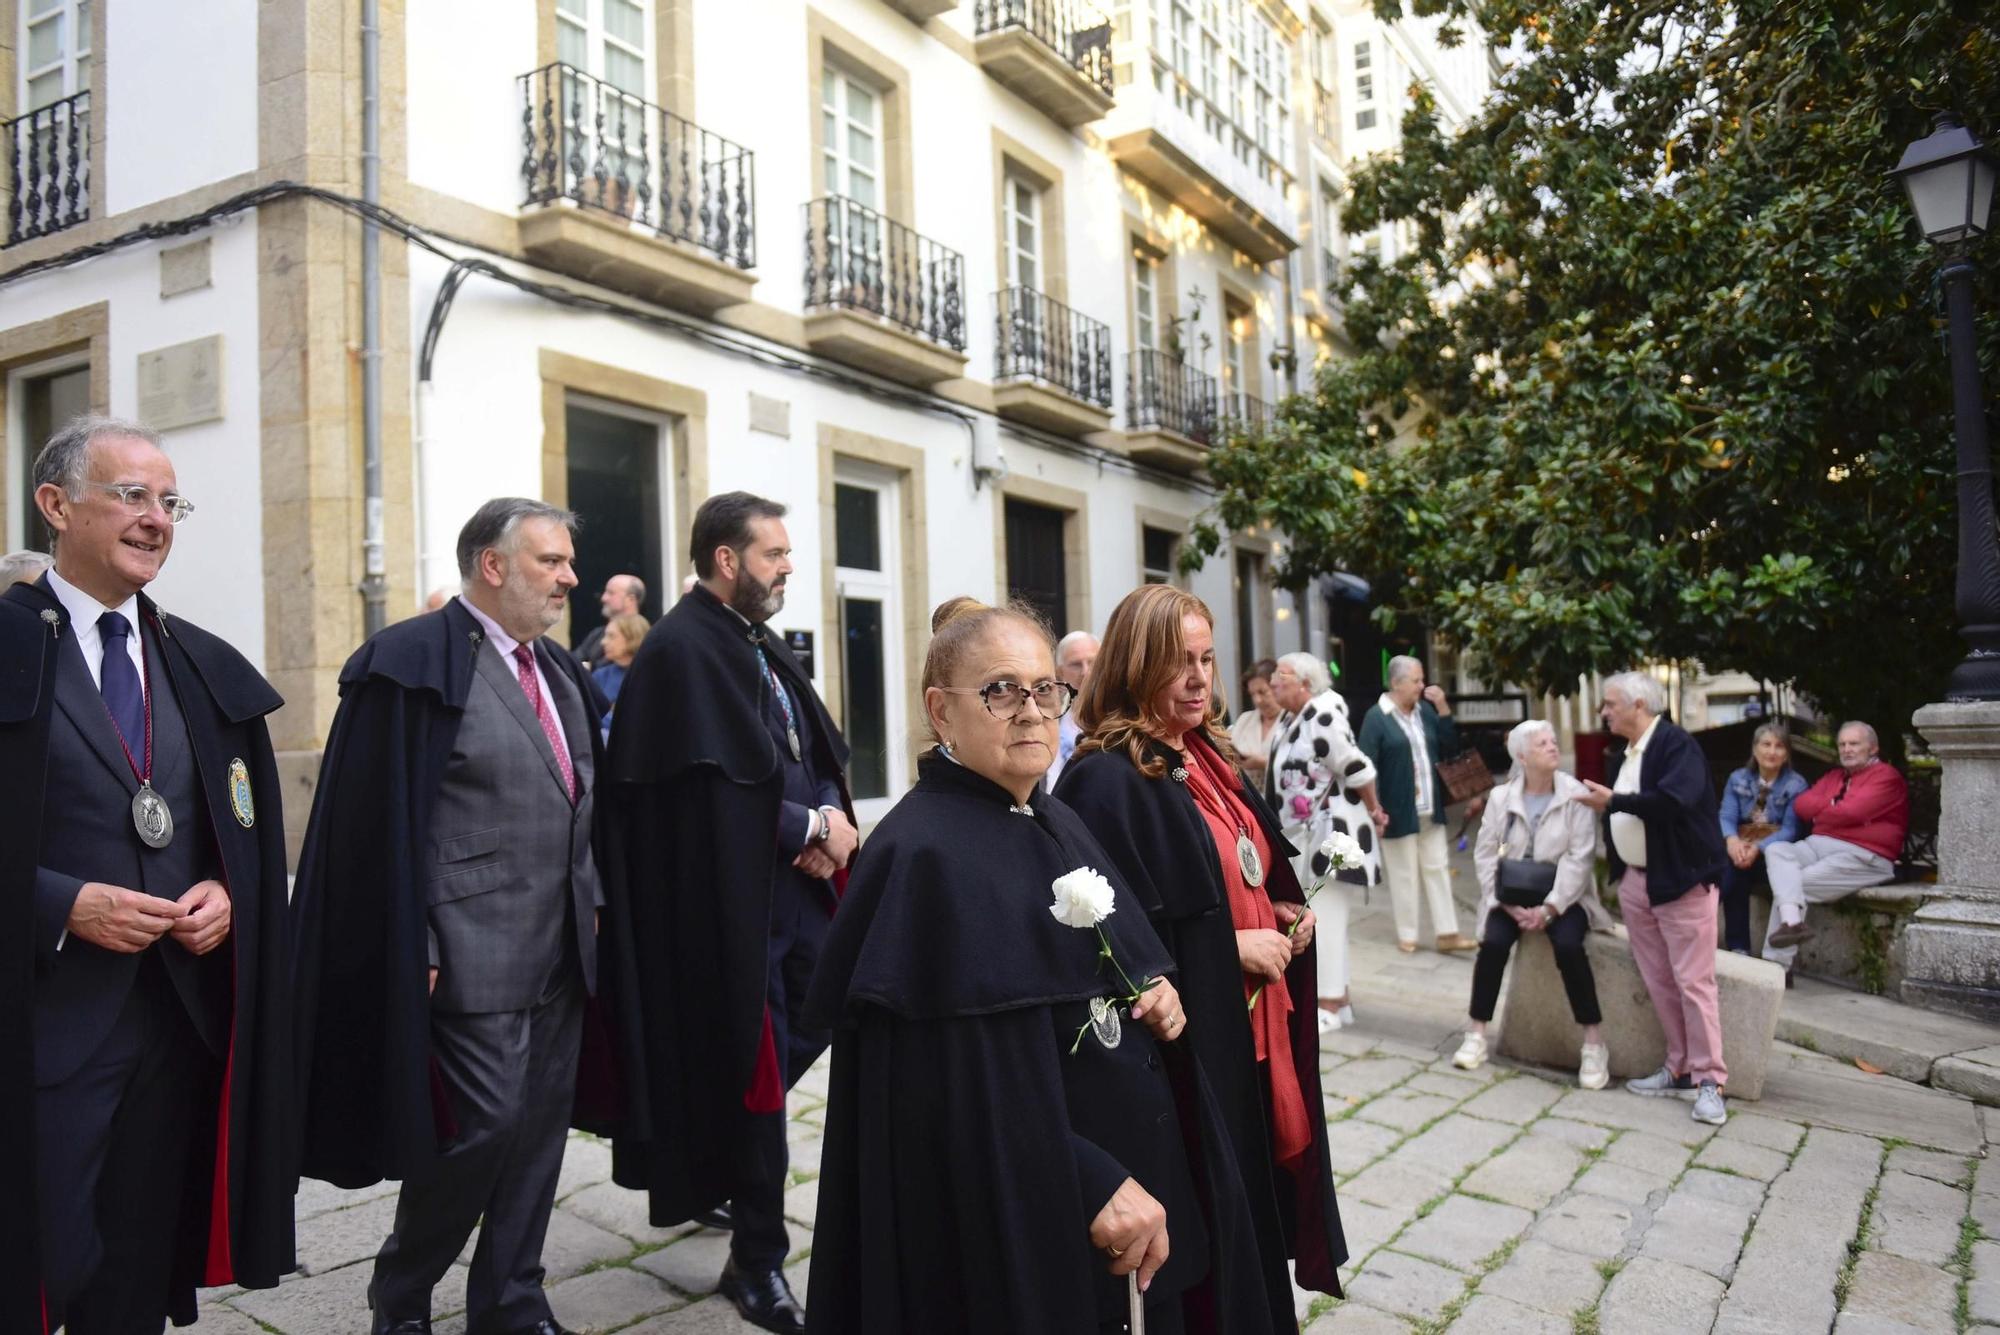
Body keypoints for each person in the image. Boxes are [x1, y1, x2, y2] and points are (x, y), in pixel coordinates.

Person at [806, 596, 1273, 1334]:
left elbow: (1100, 959)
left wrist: (1152, 988)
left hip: (1139, 1207)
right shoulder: (918, 856)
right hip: (1037, 1225)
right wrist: (1087, 1178)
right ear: (942, 709)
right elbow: (942, 1091)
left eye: (1045, 688)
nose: (1030, 710)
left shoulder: (1052, 814)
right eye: (1001, 690)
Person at [2, 415, 294, 1332]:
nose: (157, 518)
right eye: (132, 495)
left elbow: (238, 829)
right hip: (41, 1023)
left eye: (171, 502)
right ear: (56, 505)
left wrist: (229, 890)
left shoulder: (199, 660)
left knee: (134, 1269)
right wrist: (59, 901)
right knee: (39, 1255)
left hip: (177, 1023)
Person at [291, 498, 606, 1335]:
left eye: (570, 562)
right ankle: (402, 1291)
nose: (569, 577)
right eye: (551, 561)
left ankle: (510, 1300)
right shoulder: (409, 660)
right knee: (483, 1128)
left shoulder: (561, 671)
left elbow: (581, 799)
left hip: (567, 944)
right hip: (470, 947)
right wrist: (414, 936)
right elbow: (380, 818)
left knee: (539, 1137)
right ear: (492, 565)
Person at [598, 492, 855, 1335]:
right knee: (760, 1083)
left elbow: (802, 745)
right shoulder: (677, 649)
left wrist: (825, 816)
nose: (786, 566)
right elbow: (703, 797)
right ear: (725, 560)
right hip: (729, 909)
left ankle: (738, 1186)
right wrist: (811, 827)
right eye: (774, 553)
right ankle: (758, 1256)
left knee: (827, 1008)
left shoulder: (753, 639)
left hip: (792, 890)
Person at [1057, 584, 1346, 1328]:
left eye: (1206, 659)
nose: (1197, 678)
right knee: (1215, 1241)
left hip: (1250, 1038)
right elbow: (1111, 946)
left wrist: (1281, 905)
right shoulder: (1106, 776)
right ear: (1132, 664)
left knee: (1251, 1226)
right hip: (1194, 1058)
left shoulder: (1207, 755)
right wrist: (1231, 947)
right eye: (1176, 661)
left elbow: (1237, 867)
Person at [1579, 671, 1730, 1126]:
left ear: (1638, 705)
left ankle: (1710, 1082)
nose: (1604, 713)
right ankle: (1679, 1067)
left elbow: (1673, 802)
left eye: (1610, 704)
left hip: (1680, 880)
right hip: (1639, 884)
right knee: (1660, 980)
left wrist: (1615, 803)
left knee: (1694, 983)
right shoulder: (1621, 754)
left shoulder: (1676, 745)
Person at [1454, 720, 1612, 1088]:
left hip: (1563, 897)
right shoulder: (1501, 798)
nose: (1553, 747)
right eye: (1543, 744)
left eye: (1554, 741)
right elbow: (1486, 853)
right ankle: (1476, 1033)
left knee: (1571, 947)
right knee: (1492, 944)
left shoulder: (1575, 796)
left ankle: (1593, 1043)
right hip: (1510, 895)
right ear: (1522, 756)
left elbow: (1580, 858)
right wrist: (1503, 904)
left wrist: (1549, 908)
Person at [1265, 651, 1387, 1033]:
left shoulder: (1323, 715)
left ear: (1304, 682)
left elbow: (1356, 766)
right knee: (1321, 915)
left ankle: (1330, 1002)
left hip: (1329, 836)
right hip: (1304, 834)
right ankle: (1341, 999)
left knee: (1326, 918)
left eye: (1280, 675)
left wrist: (1376, 810)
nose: (1272, 682)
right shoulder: (1292, 717)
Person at [1761, 722, 1909, 971]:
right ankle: (1792, 923)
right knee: (1777, 850)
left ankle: (1775, 967)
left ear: (1872, 748)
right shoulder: (1835, 777)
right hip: (1819, 845)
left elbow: (1852, 811)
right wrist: (1833, 809)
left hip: (1863, 856)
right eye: (1842, 744)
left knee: (1793, 882)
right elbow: (1802, 806)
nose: (1847, 749)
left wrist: (1826, 809)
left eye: (1854, 744)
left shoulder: (1886, 776)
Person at [1357, 655, 1477, 955]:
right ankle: (1407, 933)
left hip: (1429, 807)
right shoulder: (1377, 717)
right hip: (1397, 810)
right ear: (1397, 683)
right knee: (1403, 874)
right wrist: (1375, 808)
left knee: (1437, 868)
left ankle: (1447, 933)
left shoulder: (1424, 712)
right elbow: (1365, 765)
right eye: (1417, 680)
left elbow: (1450, 747)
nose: (1423, 686)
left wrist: (1444, 709)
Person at [1716, 724, 1809, 954]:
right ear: (1755, 750)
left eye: (1779, 746)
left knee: (1738, 872)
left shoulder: (1796, 784)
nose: (1772, 752)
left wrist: (1759, 847)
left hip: (1773, 853)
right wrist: (1732, 842)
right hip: (1741, 847)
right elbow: (1726, 815)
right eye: (1766, 744)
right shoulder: (1738, 778)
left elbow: (1790, 829)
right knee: (1732, 871)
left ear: (1786, 753)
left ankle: (1702, 925)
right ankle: (1739, 948)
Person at [1046, 629, 1099, 788]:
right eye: (1076, 664)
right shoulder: (1051, 717)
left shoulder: (1120, 716)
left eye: (1092, 662)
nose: (1085, 672)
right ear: (1060, 672)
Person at [591, 611, 649, 742]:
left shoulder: (650, 675)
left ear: (632, 638)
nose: (603, 642)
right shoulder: (601, 675)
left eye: (611, 636)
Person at [1229, 657, 1281, 789]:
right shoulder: (1245, 720)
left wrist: (1265, 763)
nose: (1257, 700)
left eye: (1262, 692)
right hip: (1250, 799)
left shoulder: (1292, 720)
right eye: (1253, 694)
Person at [576, 572, 646, 669]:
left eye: (611, 593)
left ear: (630, 599)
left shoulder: (646, 637)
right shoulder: (596, 635)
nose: (604, 598)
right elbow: (574, 662)